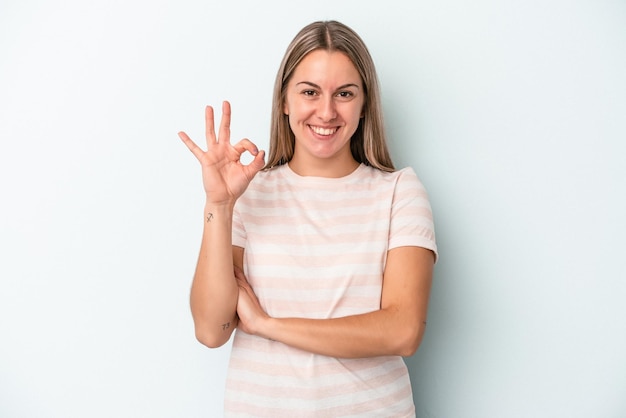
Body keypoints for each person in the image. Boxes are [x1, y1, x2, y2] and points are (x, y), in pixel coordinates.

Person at [178, 20, 437, 417]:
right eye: (310, 92)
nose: (327, 111)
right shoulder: (249, 194)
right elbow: (212, 330)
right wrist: (219, 205)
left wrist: (268, 325)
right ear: (285, 100)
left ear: (365, 103)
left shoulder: (399, 192)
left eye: (345, 94)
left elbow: (402, 330)